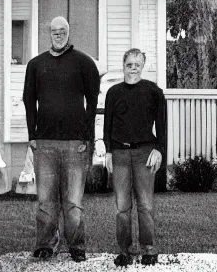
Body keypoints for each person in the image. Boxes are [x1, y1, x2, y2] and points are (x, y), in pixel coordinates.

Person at [23, 16, 100, 263]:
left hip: (74, 144)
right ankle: (45, 245)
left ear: (69, 32)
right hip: (44, 142)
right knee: (45, 201)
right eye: (54, 31)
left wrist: (88, 137)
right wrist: (32, 135)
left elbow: (93, 102)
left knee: (73, 202)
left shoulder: (84, 63)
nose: (58, 34)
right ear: (49, 33)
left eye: (62, 30)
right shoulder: (36, 64)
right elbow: (28, 100)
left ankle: (77, 247)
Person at [103, 49, 166, 267]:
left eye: (137, 65)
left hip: (144, 154)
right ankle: (124, 250)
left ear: (143, 66)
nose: (133, 68)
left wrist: (159, 149)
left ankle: (149, 249)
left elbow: (162, 124)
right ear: (123, 65)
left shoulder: (153, 92)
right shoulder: (113, 93)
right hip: (120, 154)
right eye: (129, 64)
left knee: (146, 205)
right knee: (122, 206)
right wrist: (108, 151)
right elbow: (107, 126)